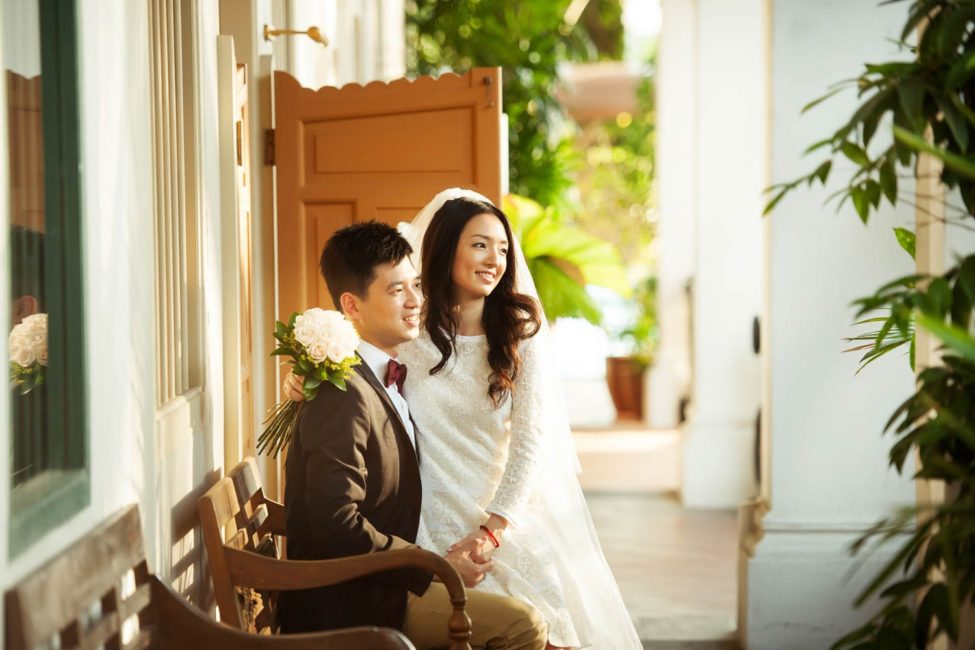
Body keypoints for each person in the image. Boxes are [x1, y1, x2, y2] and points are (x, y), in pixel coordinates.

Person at [287, 189, 642, 649]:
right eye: (478, 244)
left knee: (554, 629)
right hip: (424, 515)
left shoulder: (519, 334)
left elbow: (530, 442)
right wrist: (304, 378)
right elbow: (355, 367)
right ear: (446, 248)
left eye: (501, 247)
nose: (493, 258)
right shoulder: (411, 327)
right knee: (509, 626)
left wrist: (491, 530)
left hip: (495, 512)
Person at [277, 220, 546, 650]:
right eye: (395, 290)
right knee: (524, 625)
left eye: (416, 285)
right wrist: (430, 566)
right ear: (352, 305)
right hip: (358, 602)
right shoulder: (340, 391)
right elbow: (334, 523)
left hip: (384, 580)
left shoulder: (384, 372)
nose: (416, 302)